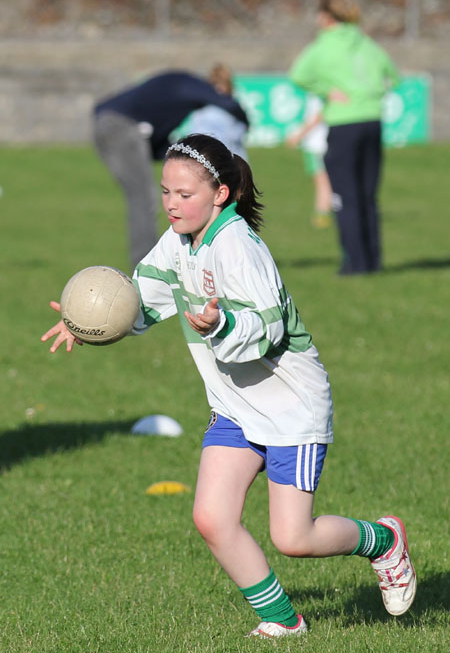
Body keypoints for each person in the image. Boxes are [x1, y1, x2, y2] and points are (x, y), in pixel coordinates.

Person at [42, 133, 416, 638]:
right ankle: (284, 622)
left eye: (184, 194)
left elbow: (268, 329)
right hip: (235, 406)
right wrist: (88, 323)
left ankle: (383, 540)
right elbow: (139, 300)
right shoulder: (176, 242)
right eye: (166, 192)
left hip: (290, 407)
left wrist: (220, 326)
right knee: (212, 518)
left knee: (294, 537)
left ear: (219, 194)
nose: (172, 204)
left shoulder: (238, 246)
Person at [92, 68, 249, 269]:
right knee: (143, 198)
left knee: (141, 196)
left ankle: (155, 262)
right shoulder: (191, 84)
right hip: (121, 126)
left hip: (109, 123)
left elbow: (160, 147)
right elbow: (227, 103)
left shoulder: (179, 92)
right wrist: (246, 122)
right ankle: (146, 268)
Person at [289, 0, 400, 274]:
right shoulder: (367, 43)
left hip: (343, 124)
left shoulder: (323, 45)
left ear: (326, 17)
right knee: (368, 195)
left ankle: (355, 264)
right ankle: (374, 261)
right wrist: (371, 94)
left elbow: (298, 74)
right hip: (372, 122)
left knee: (345, 196)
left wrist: (327, 91)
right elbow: (393, 77)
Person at [286, 94, 332, 228]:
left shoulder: (321, 92)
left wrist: (300, 134)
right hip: (317, 143)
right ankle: (324, 211)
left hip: (317, 143)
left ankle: (322, 213)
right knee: (321, 179)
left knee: (322, 179)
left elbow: (319, 115)